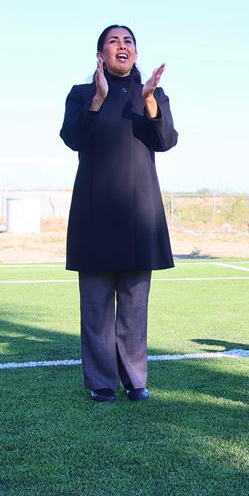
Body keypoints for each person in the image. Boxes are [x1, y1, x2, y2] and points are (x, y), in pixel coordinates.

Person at [60, 25, 177, 403]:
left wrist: (150, 101)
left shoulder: (152, 95)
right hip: (94, 211)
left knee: (134, 306)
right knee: (95, 308)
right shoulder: (82, 95)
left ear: (136, 54)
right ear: (100, 55)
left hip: (139, 213)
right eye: (113, 41)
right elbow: (73, 137)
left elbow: (166, 140)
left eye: (128, 41)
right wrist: (98, 99)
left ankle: (135, 380)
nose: (121, 46)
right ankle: (100, 383)